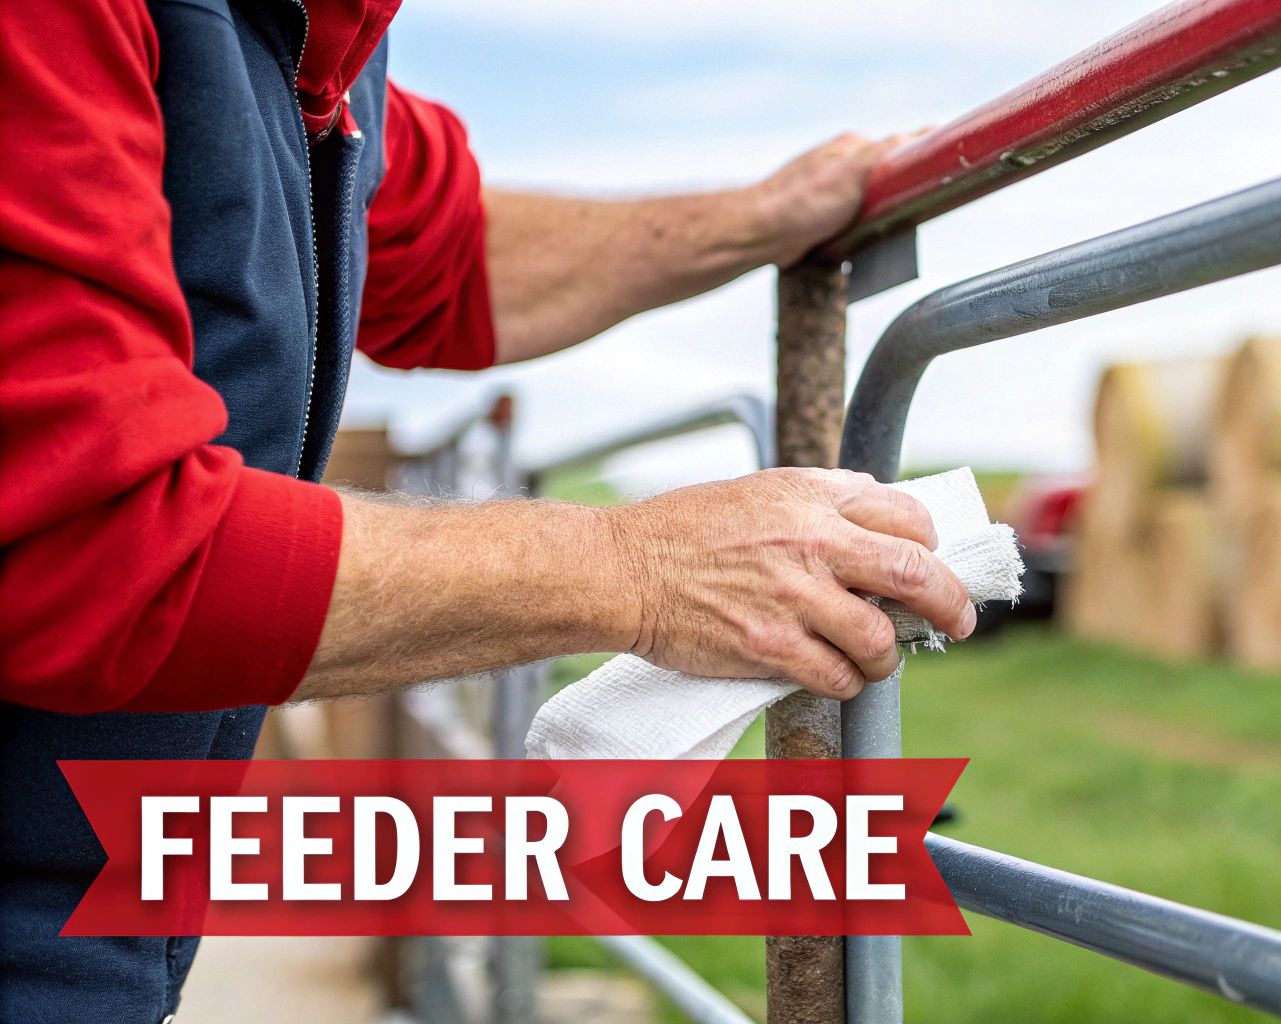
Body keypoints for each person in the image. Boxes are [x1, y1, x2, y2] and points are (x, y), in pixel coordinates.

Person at [0, 2, 971, 1019]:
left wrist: (762, 216)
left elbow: (447, 251)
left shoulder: (311, 49)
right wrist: (636, 570)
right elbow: (92, 540)